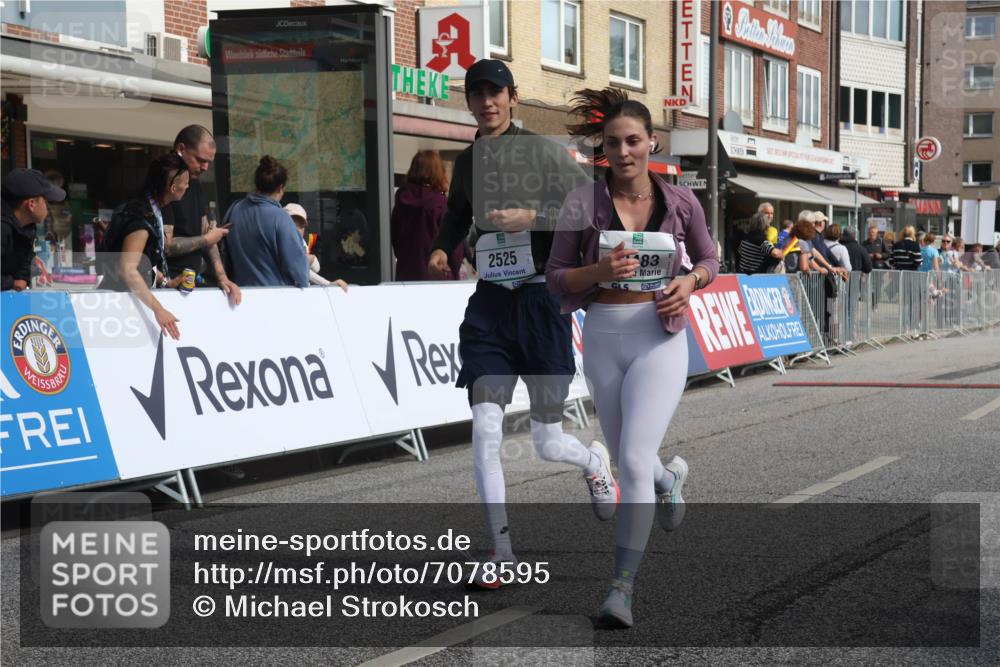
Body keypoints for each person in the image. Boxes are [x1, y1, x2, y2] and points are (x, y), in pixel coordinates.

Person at [426, 60, 614, 585]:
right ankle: (502, 553)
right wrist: (443, 247)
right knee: (485, 429)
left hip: (539, 305)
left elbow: (591, 208)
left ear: (513, 97)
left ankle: (594, 463)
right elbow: (456, 215)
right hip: (490, 307)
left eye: (495, 93)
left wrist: (535, 218)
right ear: (468, 102)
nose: (486, 102)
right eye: (476, 94)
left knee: (548, 441)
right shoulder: (465, 162)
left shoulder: (541, 151)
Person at [548, 88, 718, 628]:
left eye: (633, 142)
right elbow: (555, 278)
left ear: (652, 143)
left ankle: (620, 589)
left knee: (634, 462)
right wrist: (598, 273)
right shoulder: (581, 202)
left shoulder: (681, 201)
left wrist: (690, 281)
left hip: (659, 335)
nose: (623, 152)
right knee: (631, 463)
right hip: (602, 334)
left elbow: (711, 257)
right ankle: (669, 481)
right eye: (613, 144)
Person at [99, 153, 189, 340]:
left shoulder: (148, 208)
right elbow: (128, 270)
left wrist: (167, 282)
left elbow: (142, 267)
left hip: (125, 306)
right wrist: (159, 309)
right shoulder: (141, 216)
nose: (187, 186)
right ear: (173, 187)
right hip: (120, 311)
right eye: (186, 182)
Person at [165, 125, 241, 305]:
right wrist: (207, 239)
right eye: (200, 160)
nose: (205, 167)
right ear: (181, 149)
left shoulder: (195, 184)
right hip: (170, 287)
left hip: (192, 283)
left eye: (209, 162)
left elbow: (207, 233)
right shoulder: (165, 185)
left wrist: (223, 277)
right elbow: (166, 245)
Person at [224, 156, 309, 288]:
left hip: (237, 297)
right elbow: (300, 273)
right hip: (274, 298)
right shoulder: (281, 218)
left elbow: (224, 254)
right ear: (280, 188)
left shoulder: (234, 210)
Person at [390, 150, 462, 281]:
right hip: (436, 279)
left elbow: (396, 242)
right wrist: (453, 274)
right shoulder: (441, 204)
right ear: (438, 172)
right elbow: (454, 248)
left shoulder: (400, 201)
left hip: (405, 277)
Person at [2, 168, 67, 291]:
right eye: (46, 202)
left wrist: (24, 278)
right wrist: (12, 283)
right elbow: (17, 283)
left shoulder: (27, 227)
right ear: (31, 204)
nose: (48, 208)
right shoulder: (3, 228)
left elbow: (25, 264)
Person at [284, 202, 348, 290]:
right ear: (282, 225)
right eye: (293, 224)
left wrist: (328, 284)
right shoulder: (280, 243)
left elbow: (312, 269)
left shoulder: (302, 243)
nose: (298, 229)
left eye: (301, 225)